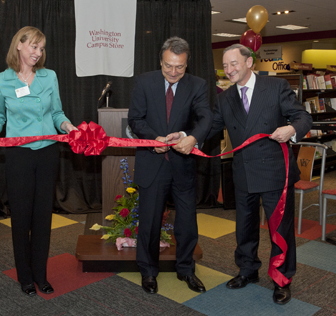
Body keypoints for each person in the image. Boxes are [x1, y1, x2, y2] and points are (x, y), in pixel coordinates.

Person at [194, 44, 312, 305]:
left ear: (250, 62)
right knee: (244, 228)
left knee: (279, 230)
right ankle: (248, 270)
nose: (229, 69)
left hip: (275, 174)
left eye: (233, 63)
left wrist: (291, 129)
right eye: (225, 65)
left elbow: (303, 116)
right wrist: (189, 138)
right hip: (243, 173)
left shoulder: (276, 87)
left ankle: (282, 279)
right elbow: (211, 127)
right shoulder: (225, 99)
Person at [0, 26, 77, 297]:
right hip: (19, 156)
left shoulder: (49, 77)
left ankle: (41, 274)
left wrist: (69, 127)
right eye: (34, 47)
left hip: (48, 153)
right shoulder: (1, 80)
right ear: (19, 46)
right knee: (21, 217)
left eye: (41, 48)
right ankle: (25, 277)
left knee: (42, 218)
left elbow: (58, 113)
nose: (38, 53)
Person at [128, 36, 213, 295]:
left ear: (187, 64)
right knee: (150, 222)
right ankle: (148, 271)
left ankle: (186, 269)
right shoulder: (144, 82)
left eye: (180, 67)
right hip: (152, 163)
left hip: (183, 164)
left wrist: (192, 137)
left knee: (187, 223)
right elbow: (136, 119)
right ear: (161, 60)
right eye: (168, 66)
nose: (174, 72)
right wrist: (152, 138)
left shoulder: (197, 85)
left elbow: (205, 117)